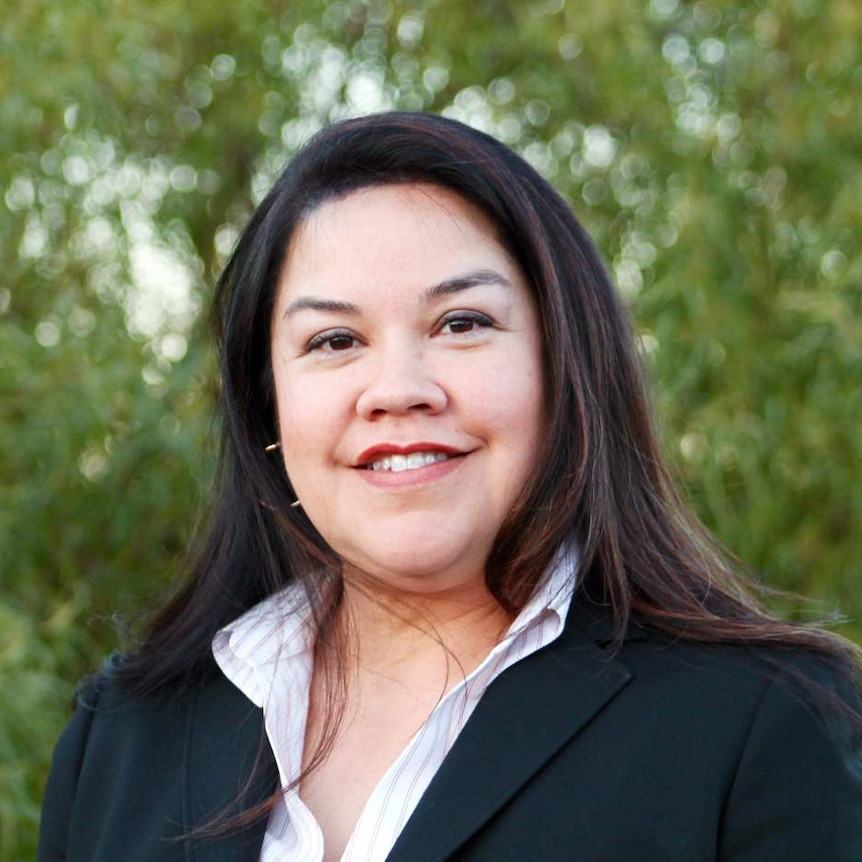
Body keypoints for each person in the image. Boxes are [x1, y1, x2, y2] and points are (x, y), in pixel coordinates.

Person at [39, 111, 862, 862]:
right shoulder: (121, 739)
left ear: (564, 365)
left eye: (462, 323)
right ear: (270, 402)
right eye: (333, 340)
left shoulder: (764, 725)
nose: (398, 387)